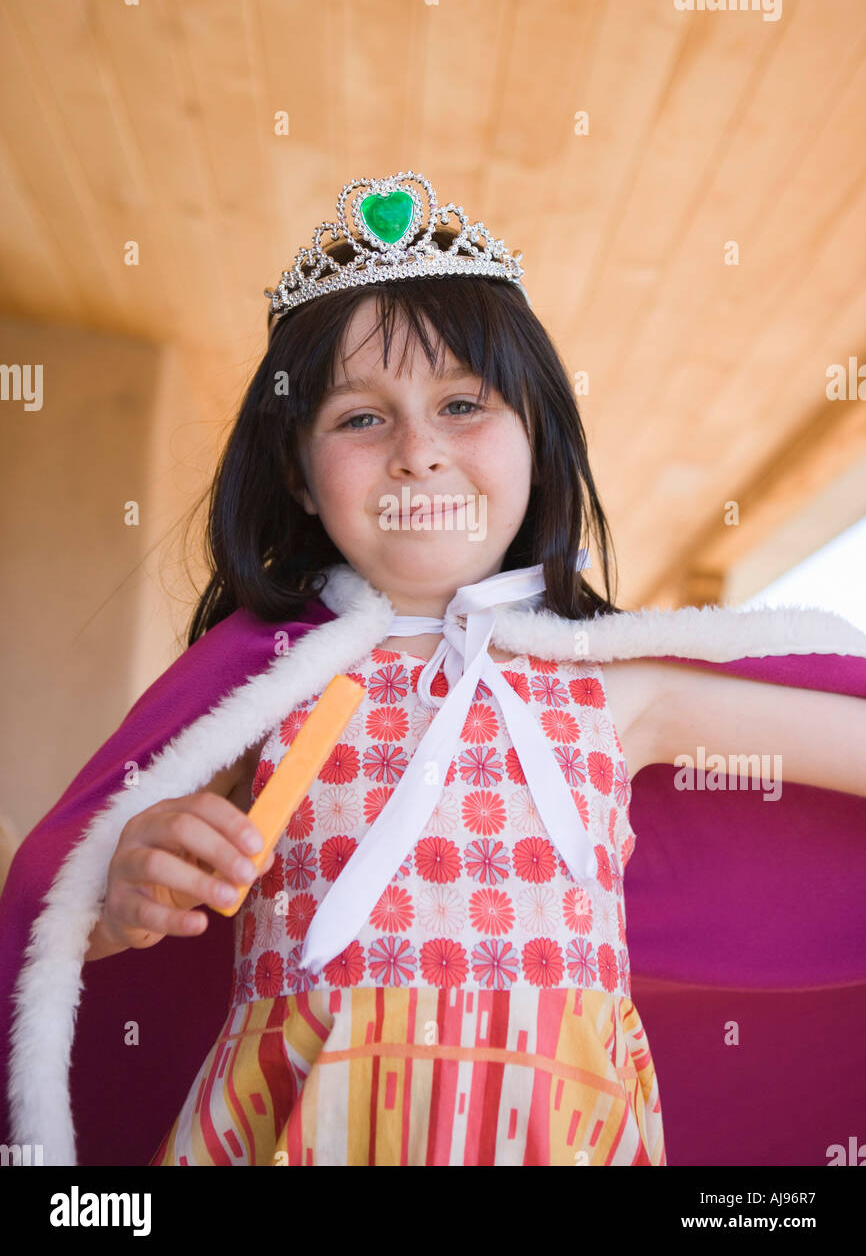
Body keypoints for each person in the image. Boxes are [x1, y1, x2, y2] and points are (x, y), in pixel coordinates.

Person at [3, 172, 865, 1167]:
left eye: (462, 403)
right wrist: (125, 888)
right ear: (295, 471)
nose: (417, 452)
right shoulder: (257, 697)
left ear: (537, 440)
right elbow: (63, 935)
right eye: (360, 418)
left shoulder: (621, 696)